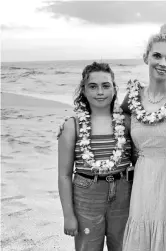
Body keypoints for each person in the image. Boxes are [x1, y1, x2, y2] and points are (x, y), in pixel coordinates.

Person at [121, 24, 166, 251]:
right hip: (142, 181)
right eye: (157, 55)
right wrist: (75, 125)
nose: (163, 63)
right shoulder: (132, 98)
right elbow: (110, 121)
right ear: (145, 57)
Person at [57, 62, 134, 251]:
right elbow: (64, 175)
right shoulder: (72, 126)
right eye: (93, 86)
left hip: (124, 194)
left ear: (115, 89)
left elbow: (142, 159)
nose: (100, 92)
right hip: (87, 195)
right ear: (83, 90)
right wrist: (68, 215)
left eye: (106, 85)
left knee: (123, 245)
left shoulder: (127, 122)